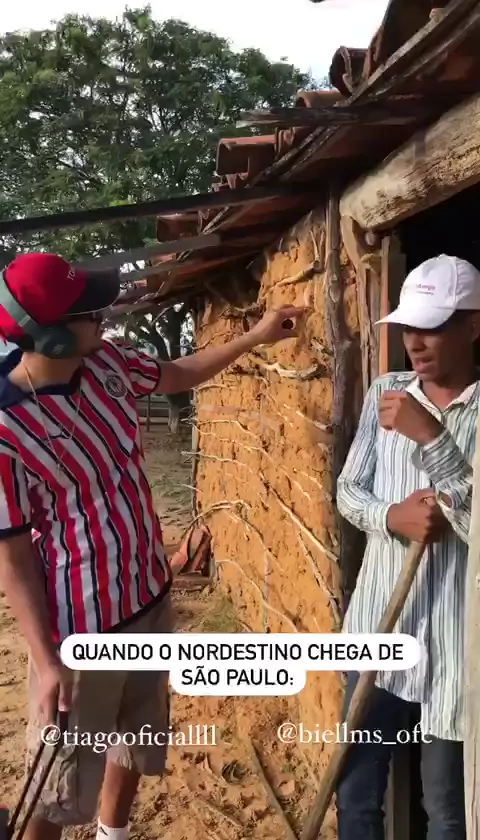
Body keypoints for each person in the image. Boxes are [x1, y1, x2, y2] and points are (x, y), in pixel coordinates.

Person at [0, 252, 306, 840]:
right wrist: (45, 660)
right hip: (82, 631)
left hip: (148, 596)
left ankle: (112, 835)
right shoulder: (7, 430)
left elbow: (177, 373)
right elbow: (10, 556)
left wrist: (255, 337)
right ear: (51, 336)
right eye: (92, 313)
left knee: (135, 741)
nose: (106, 319)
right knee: (58, 788)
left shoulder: (108, 363)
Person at [335, 254, 480, 840]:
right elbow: (349, 491)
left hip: (455, 648)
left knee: (448, 810)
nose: (415, 343)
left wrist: (434, 439)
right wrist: (391, 516)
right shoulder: (386, 393)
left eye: (433, 327)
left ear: (473, 325)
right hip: (378, 629)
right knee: (356, 793)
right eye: (408, 328)